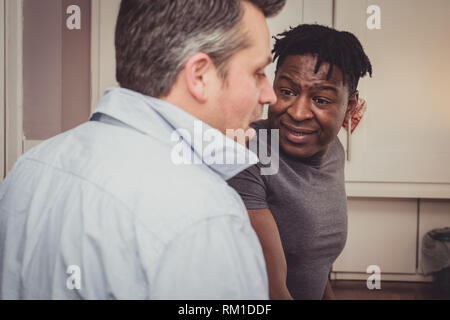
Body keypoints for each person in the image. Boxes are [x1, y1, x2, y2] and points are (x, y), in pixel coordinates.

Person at [0, 0, 285, 299]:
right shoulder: (207, 217)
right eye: (258, 72)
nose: (270, 96)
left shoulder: (31, 167)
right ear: (200, 75)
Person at [228, 24, 372, 300]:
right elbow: (273, 292)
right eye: (287, 91)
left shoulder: (331, 149)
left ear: (350, 106)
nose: (297, 112)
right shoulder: (246, 152)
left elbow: (315, 264)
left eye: (320, 99)